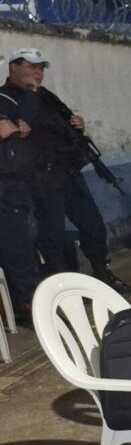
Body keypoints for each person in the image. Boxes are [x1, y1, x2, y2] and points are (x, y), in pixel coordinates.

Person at [1, 48, 130, 292]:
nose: (37, 73)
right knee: (53, 235)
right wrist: (30, 92)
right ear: (14, 67)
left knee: (93, 225)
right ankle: (61, 289)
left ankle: (103, 274)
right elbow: (21, 125)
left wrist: (78, 124)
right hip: (41, 177)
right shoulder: (5, 97)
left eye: (40, 68)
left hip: (68, 171)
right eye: (31, 67)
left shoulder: (46, 95)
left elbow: (65, 120)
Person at [0, 89, 38, 323]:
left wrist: (18, 133)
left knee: (19, 247)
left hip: (12, 187)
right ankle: (26, 305)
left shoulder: (5, 102)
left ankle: (26, 305)